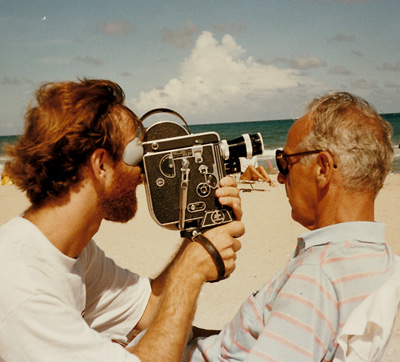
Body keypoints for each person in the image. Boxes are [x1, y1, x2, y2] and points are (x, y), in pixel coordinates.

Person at [0, 79, 245, 362]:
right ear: (101, 164)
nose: (144, 172)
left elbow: (149, 307)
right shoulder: (22, 285)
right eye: (137, 154)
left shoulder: (73, 251)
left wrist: (202, 230)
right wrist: (191, 270)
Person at [184, 91, 396, 361]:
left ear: (322, 169)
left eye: (285, 162)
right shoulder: (384, 262)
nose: (282, 177)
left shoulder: (317, 277)